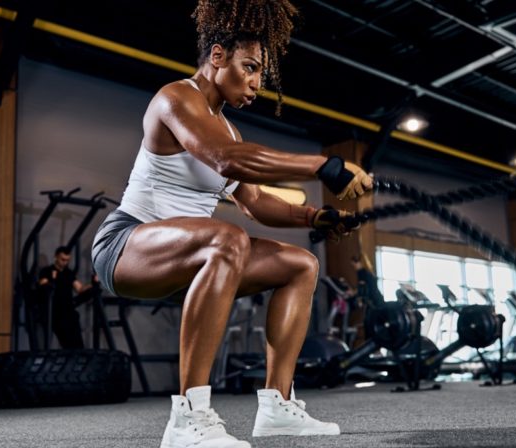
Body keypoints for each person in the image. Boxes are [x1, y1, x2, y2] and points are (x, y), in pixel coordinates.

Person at [90, 1, 373, 446]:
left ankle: (277, 407)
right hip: (125, 247)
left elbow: (256, 202)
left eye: (261, 73)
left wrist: (313, 216)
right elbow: (226, 160)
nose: (257, 83)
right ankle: (187, 418)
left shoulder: (228, 130)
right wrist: (323, 166)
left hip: (189, 254)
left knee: (301, 266)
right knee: (226, 240)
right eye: (250, 67)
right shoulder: (176, 97)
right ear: (217, 57)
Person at [37, 246, 95, 349]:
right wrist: (53, 280)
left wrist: (93, 284)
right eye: (62, 259)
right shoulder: (47, 271)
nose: (65, 263)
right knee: (66, 338)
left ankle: (79, 353)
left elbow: (80, 288)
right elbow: (43, 285)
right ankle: (72, 353)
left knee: (76, 337)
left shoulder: (68, 273)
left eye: (67, 260)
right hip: (55, 311)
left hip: (68, 310)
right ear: (56, 257)